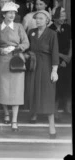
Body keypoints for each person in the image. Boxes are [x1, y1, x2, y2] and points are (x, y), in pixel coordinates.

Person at [0, 2, 29, 131]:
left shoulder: (19, 27)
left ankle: (14, 119)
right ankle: (6, 113)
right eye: (9, 13)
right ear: (4, 14)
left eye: (14, 13)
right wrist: (1, 51)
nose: (12, 15)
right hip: (2, 61)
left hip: (17, 59)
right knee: (3, 88)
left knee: (16, 90)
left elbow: (26, 43)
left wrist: (16, 47)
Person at [25, 10, 59, 139]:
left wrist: (54, 71)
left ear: (47, 20)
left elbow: (55, 53)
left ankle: (52, 125)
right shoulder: (31, 32)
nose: (38, 20)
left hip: (46, 65)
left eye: (41, 18)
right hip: (34, 65)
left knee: (47, 94)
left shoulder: (52, 34)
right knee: (33, 90)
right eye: (36, 18)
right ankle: (34, 113)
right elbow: (27, 48)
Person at [49, 6, 72, 117]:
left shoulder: (68, 27)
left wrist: (68, 58)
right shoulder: (50, 29)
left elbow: (71, 44)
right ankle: (55, 109)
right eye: (61, 16)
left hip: (68, 60)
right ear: (55, 17)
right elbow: (50, 48)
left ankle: (68, 107)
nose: (64, 18)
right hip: (56, 60)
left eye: (64, 15)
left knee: (68, 82)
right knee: (57, 85)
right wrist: (61, 58)